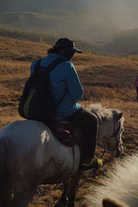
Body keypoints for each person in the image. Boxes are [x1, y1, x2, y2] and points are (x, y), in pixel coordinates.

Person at [29, 38, 101, 174]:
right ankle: (87, 162)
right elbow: (77, 95)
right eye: (71, 52)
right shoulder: (67, 66)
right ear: (62, 50)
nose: (72, 55)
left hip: (37, 109)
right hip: (63, 111)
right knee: (92, 121)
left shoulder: (36, 63)